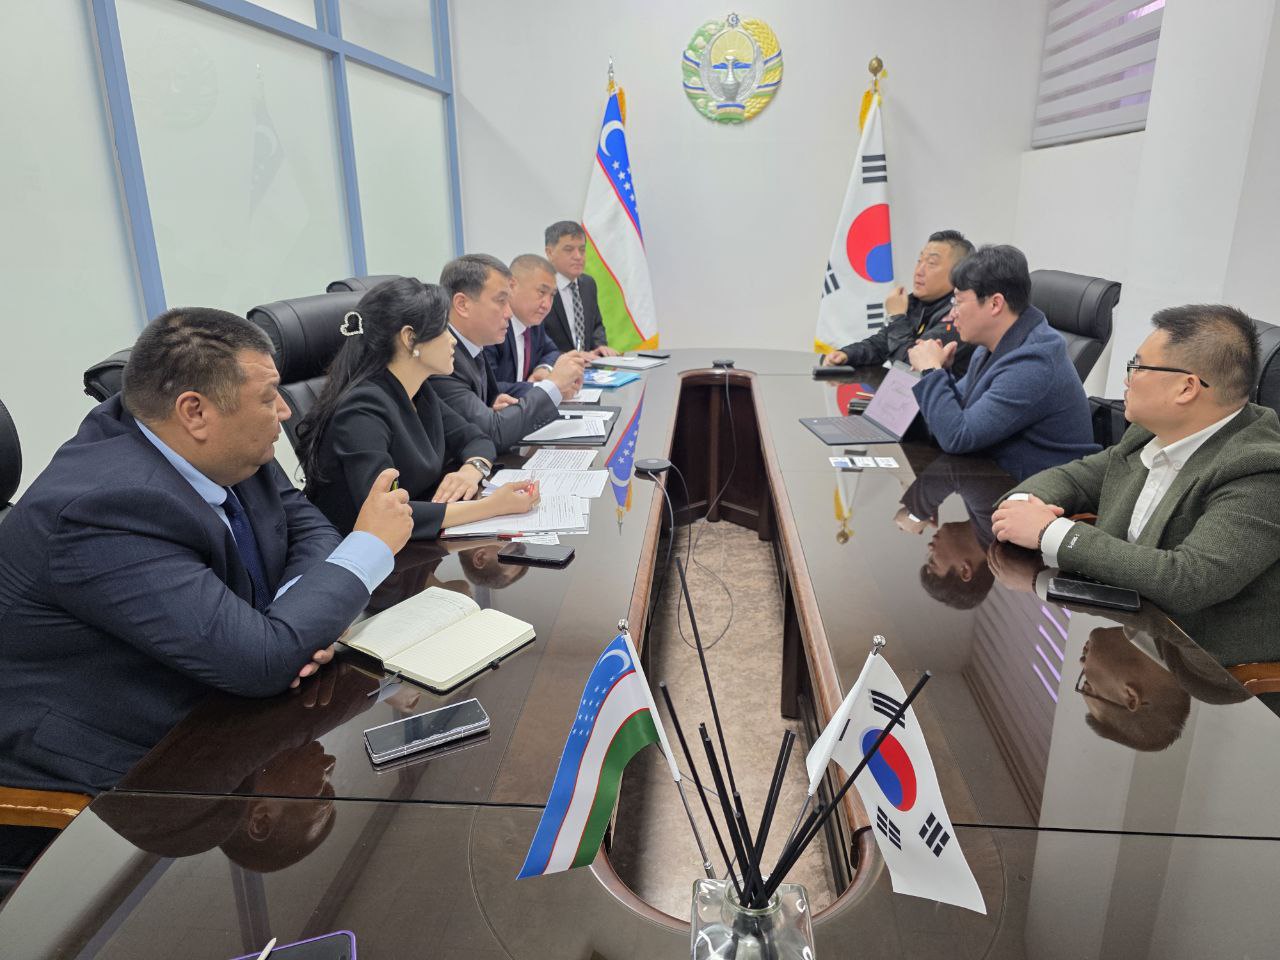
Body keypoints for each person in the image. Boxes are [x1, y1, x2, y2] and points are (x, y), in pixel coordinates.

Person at [0, 308, 413, 793]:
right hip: (120, 760)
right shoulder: (105, 509)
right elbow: (262, 663)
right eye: (268, 397)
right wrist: (368, 547)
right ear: (194, 412)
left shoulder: (222, 443)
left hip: (220, 697)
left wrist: (299, 621)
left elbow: (307, 527)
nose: (285, 410)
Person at [991, 304, 1280, 667]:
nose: (1127, 378)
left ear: (1186, 387)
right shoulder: (1150, 432)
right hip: (1130, 627)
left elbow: (1187, 580)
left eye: (1138, 366)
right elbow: (1075, 477)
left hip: (1200, 668)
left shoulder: (1260, 469)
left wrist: (1051, 532)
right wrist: (1021, 506)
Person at [296, 276, 541, 539]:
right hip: (361, 552)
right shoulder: (361, 410)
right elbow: (387, 512)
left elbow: (476, 438)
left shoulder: (419, 392)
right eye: (443, 329)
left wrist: (472, 470)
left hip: (411, 543)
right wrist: (492, 507)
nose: (453, 340)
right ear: (410, 338)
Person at [907, 244, 1097, 481]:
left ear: (995, 304)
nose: (952, 313)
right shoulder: (991, 345)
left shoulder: (1034, 362)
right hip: (992, 477)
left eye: (958, 302)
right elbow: (959, 414)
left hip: (1037, 493)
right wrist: (941, 372)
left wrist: (931, 370)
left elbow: (957, 436)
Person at [431, 254, 582, 453]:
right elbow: (493, 433)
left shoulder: (473, 345)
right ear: (462, 304)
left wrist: (492, 405)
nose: (509, 314)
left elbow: (487, 407)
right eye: (501, 301)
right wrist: (553, 385)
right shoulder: (439, 359)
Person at [822, 230, 977, 376]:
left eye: (931, 263)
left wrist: (897, 316)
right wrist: (847, 354)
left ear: (959, 272)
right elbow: (883, 344)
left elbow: (911, 366)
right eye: (919, 261)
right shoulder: (915, 302)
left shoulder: (959, 315)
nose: (919, 271)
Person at [485, 253, 587, 398]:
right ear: (512, 286)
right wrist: (549, 387)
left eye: (552, 295)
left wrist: (543, 369)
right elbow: (488, 389)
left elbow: (552, 351)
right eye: (541, 292)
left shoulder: (534, 325)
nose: (547, 304)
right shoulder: (492, 327)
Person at [542, 220, 619, 356]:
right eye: (569, 250)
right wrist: (571, 358)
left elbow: (596, 325)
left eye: (582, 250)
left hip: (589, 364)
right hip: (556, 364)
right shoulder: (541, 289)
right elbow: (538, 342)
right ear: (550, 253)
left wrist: (600, 346)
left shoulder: (589, 284)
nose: (578, 256)